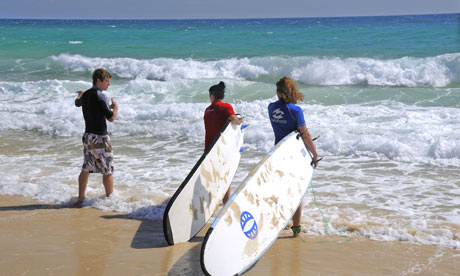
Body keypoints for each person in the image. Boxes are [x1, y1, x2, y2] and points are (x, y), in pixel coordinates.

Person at [268, 76, 319, 237]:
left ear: (278, 92)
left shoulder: (270, 108)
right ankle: (296, 229)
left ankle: (277, 223)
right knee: (296, 193)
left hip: (277, 153)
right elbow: (305, 134)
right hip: (293, 157)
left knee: (280, 191)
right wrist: (315, 155)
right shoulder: (295, 110)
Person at [74, 68, 118, 206]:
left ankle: (81, 197)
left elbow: (77, 103)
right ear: (98, 81)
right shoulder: (100, 96)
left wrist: (81, 95)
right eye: (106, 81)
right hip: (100, 138)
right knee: (107, 169)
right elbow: (110, 118)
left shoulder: (87, 94)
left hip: (88, 136)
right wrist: (115, 108)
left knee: (87, 167)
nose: (108, 84)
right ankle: (111, 199)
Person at [204, 81, 242, 203]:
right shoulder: (225, 107)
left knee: (212, 177)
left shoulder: (207, 109)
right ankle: (225, 204)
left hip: (208, 149)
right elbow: (233, 119)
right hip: (221, 149)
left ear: (212, 95)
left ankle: (211, 201)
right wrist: (240, 120)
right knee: (225, 176)